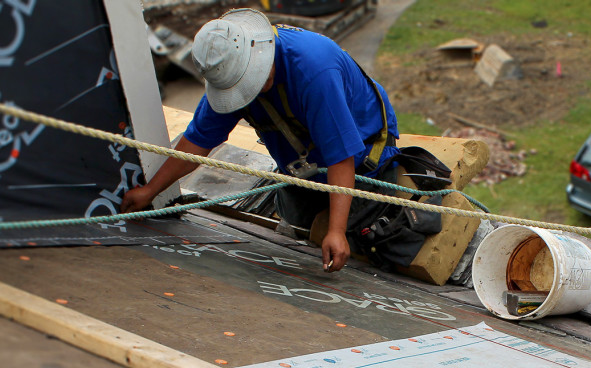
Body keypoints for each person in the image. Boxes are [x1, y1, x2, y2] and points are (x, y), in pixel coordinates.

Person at [121, 8, 400, 273]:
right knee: (297, 216)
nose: (250, 91)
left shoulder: (315, 72)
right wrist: (151, 190)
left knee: (359, 232)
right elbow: (198, 140)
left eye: (253, 82)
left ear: (261, 52)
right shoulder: (229, 68)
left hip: (362, 156)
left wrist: (337, 231)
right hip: (304, 164)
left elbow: (341, 155)